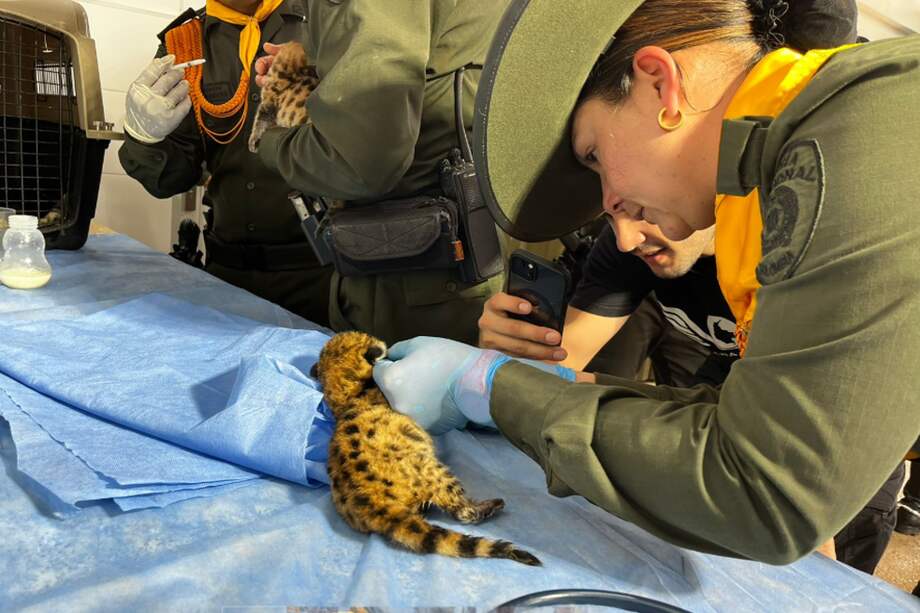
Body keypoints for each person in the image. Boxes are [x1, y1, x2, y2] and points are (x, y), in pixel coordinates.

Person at [372, 0, 920, 565]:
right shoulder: (788, 160)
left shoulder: (847, 141)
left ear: (659, 83)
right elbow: (741, 425)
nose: (614, 210)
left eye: (593, 155)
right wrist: (514, 381)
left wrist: (490, 387)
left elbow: (765, 490)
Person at [250, 0, 508, 346]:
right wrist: (326, 57)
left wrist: (270, 139)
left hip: (408, 285)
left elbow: (358, 162)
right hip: (451, 269)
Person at [119, 0, 333, 326]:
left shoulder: (326, 20)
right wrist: (145, 137)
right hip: (227, 276)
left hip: (320, 275)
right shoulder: (185, 43)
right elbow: (172, 180)